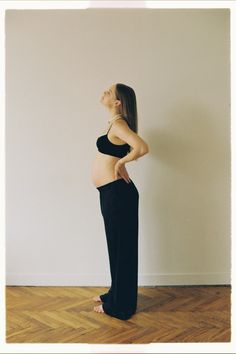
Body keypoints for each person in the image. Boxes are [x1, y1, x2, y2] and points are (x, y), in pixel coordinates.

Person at [91, 83, 149, 320]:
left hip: (117, 194)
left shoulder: (118, 124)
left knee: (121, 248)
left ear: (118, 103)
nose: (103, 92)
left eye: (109, 92)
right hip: (112, 193)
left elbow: (142, 147)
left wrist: (120, 163)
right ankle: (116, 293)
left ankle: (121, 306)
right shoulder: (114, 124)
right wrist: (120, 161)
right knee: (116, 246)